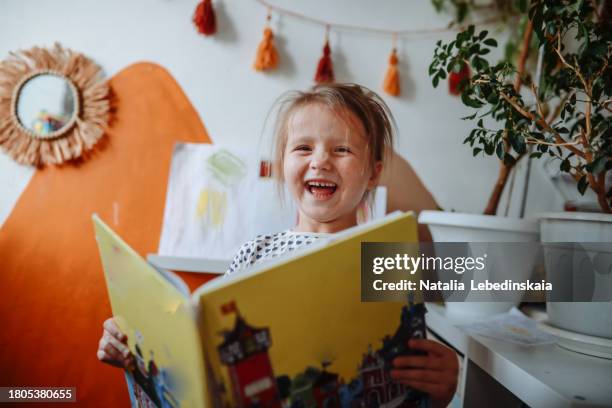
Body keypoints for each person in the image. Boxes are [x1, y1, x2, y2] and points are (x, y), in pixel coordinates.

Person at [98, 83, 458, 408]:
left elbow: (403, 382)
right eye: (303, 148)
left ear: (373, 172)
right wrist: (134, 347)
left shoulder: (385, 261)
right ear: (282, 164)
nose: (320, 161)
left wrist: (439, 390)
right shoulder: (254, 253)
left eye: (342, 149)